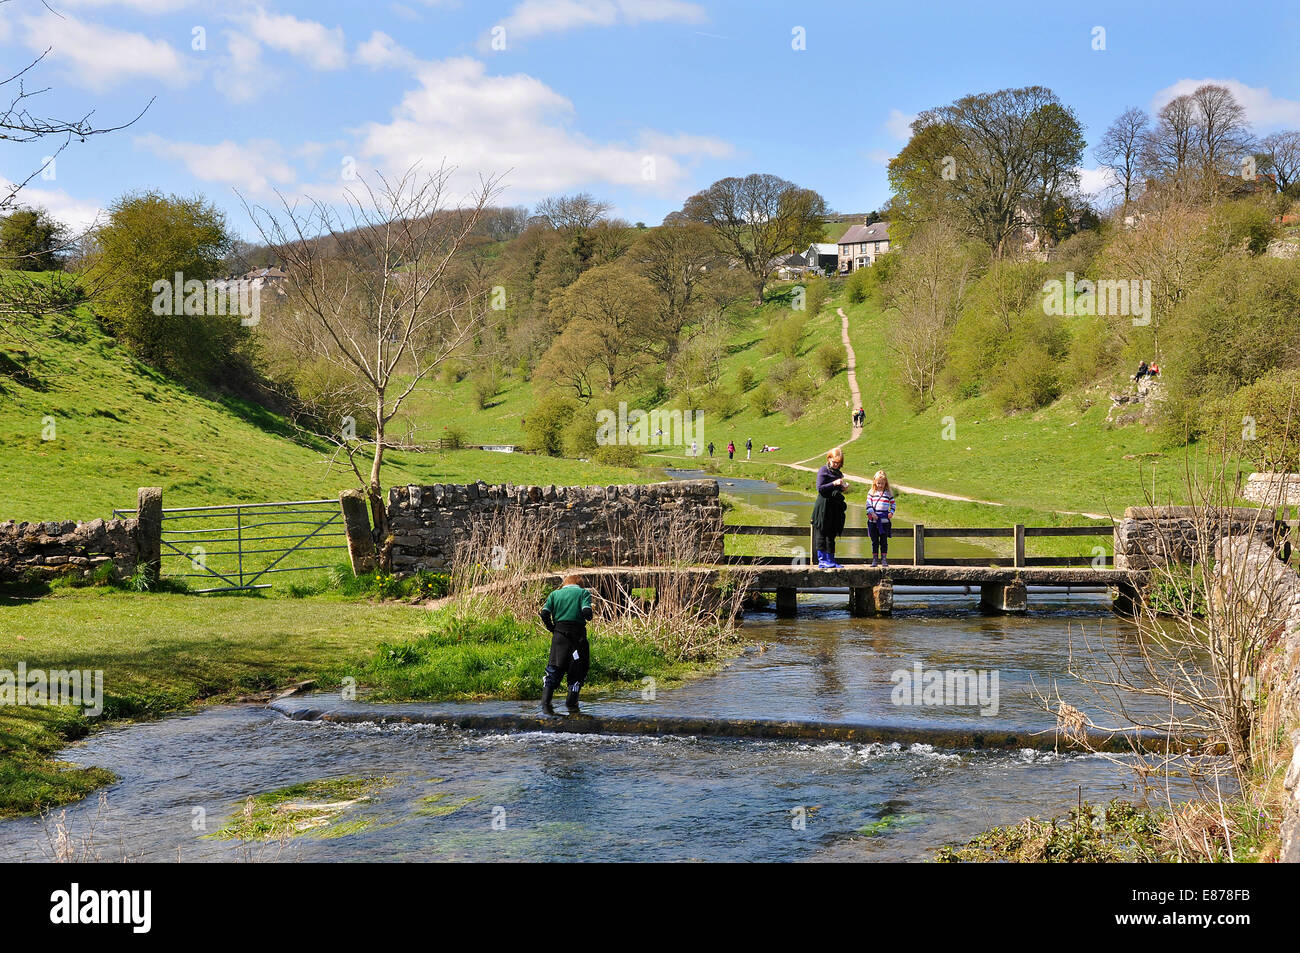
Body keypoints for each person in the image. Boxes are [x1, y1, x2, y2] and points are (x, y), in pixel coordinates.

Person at [539, 573, 593, 713]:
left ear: (565, 584)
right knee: (577, 671)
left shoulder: (554, 594)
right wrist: (588, 615)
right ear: (580, 584)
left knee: (553, 669)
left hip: (559, 638)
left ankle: (545, 706)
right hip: (577, 639)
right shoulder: (583, 593)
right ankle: (571, 706)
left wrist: (552, 628)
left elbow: (544, 613)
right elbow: (587, 612)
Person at [812, 448, 849, 569]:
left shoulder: (838, 473)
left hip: (834, 507)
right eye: (834, 462)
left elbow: (836, 490)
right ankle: (822, 561)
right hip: (823, 506)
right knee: (822, 532)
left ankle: (831, 560)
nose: (836, 464)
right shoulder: (823, 470)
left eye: (838, 463)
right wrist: (834, 483)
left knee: (832, 534)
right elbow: (820, 489)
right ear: (829, 459)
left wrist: (843, 487)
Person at [865, 470, 896, 568]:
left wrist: (891, 512)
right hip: (873, 521)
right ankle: (874, 559)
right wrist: (872, 513)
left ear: (885, 483)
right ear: (875, 482)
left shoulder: (888, 493)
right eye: (878, 483)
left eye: (882, 483)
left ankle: (884, 559)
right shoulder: (871, 492)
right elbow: (868, 504)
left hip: (884, 521)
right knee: (874, 541)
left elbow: (893, 504)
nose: (880, 485)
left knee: (884, 541)